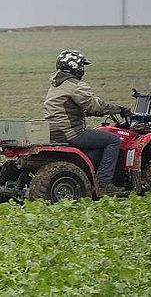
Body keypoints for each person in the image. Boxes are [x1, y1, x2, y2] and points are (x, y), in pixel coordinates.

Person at [43, 49, 132, 196]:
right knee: (114, 140)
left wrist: (86, 112)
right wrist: (118, 109)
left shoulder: (56, 84)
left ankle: (92, 175)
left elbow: (68, 107)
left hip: (54, 132)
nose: (83, 69)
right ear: (75, 67)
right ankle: (104, 183)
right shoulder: (74, 85)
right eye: (82, 65)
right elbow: (94, 105)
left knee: (98, 141)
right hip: (72, 133)